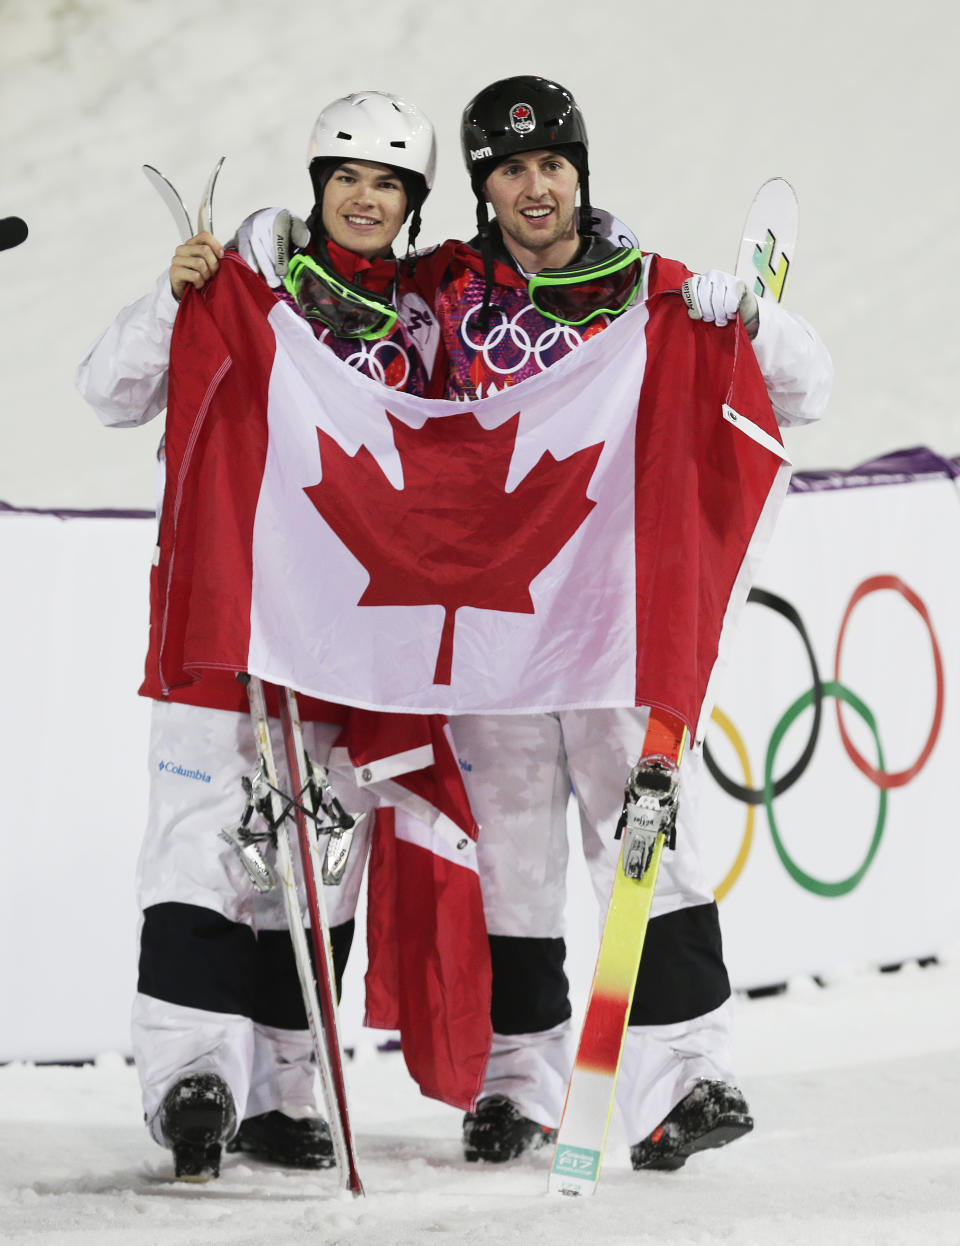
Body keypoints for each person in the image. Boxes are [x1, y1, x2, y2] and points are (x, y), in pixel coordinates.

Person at [407, 75, 833, 1170]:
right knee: (510, 859)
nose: (534, 185)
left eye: (552, 163)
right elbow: (343, 333)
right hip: (492, 622)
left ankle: (688, 1071)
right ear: (484, 187)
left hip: (609, 621)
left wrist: (751, 316)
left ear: (579, 173)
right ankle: (520, 1079)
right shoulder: (445, 293)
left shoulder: (647, 289)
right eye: (511, 169)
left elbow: (808, 385)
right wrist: (267, 258)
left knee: (643, 835)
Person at [76, 91, 442, 1180]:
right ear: (319, 186)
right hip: (226, 615)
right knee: (201, 846)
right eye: (348, 179)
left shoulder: (424, 328)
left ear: (411, 204)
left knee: (316, 866)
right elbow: (108, 393)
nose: (365, 200)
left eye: (388, 184)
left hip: (350, 634)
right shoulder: (244, 284)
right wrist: (169, 299)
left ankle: (288, 1093)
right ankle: (193, 1080)